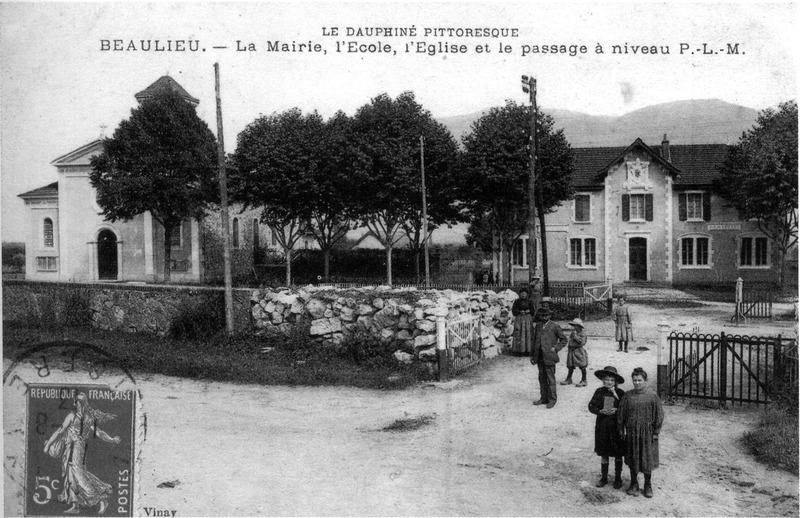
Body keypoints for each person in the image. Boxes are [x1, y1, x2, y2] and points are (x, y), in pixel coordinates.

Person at [43, 392, 121, 514]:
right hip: (72, 447)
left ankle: (100, 496)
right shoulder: (83, 417)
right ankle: (75, 505)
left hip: (77, 448)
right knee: (71, 474)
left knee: (78, 473)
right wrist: (112, 439)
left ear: (78, 403)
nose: (77, 404)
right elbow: (98, 433)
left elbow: (60, 431)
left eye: (78, 402)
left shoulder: (77, 416)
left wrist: (48, 445)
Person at [617, 367, 664, 498]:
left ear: (645, 380)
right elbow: (621, 415)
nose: (637, 383)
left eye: (639, 380)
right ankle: (633, 483)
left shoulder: (652, 396)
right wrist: (621, 430)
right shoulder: (627, 396)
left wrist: (656, 432)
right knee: (633, 458)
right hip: (631, 433)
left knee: (647, 458)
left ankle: (648, 485)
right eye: (634, 380)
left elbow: (659, 415)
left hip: (647, 433)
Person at [588, 366, 626, 489]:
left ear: (616, 381)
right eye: (607, 380)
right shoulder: (599, 391)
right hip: (602, 426)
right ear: (603, 380)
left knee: (618, 452)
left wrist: (617, 410)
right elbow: (591, 406)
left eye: (612, 380)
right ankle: (604, 477)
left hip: (616, 427)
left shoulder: (620, 393)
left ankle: (618, 478)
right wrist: (600, 411)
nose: (609, 382)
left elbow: (626, 408)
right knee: (604, 452)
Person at [530, 307, 567, 408]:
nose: (544, 317)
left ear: (550, 315)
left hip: (550, 356)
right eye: (542, 315)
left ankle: (552, 399)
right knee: (541, 378)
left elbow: (564, 339)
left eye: (546, 315)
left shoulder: (555, 326)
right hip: (539, 356)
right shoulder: (538, 326)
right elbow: (534, 341)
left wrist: (556, 348)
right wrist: (533, 356)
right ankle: (543, 397)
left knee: (550, 379)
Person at [561, 317, 589, 387]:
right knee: (570, 365)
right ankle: (569, 379)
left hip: (579, 351)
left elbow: (582, 342)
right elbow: (570, 341)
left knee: (582, 366)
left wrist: (575, 336)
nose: (574, 327)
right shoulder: (573, 333)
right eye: (574, 325)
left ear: (579, 326)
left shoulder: (582, 333)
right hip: (572, 350)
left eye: (576, 325)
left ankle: (584, 380)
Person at [511, 288, 536, 354]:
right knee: (518, 332)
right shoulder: (517, 301)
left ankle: (528, 350)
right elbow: (513, 311)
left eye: (525, 294)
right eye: (522, 294)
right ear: (520, 294)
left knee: (527, 333)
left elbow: (533, 311)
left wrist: (529, 311)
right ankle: (519, 350)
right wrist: (519, 311)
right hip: (519, 318)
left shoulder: (530, 301)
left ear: (527, 295)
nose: (523, 296)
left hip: (527, 319)